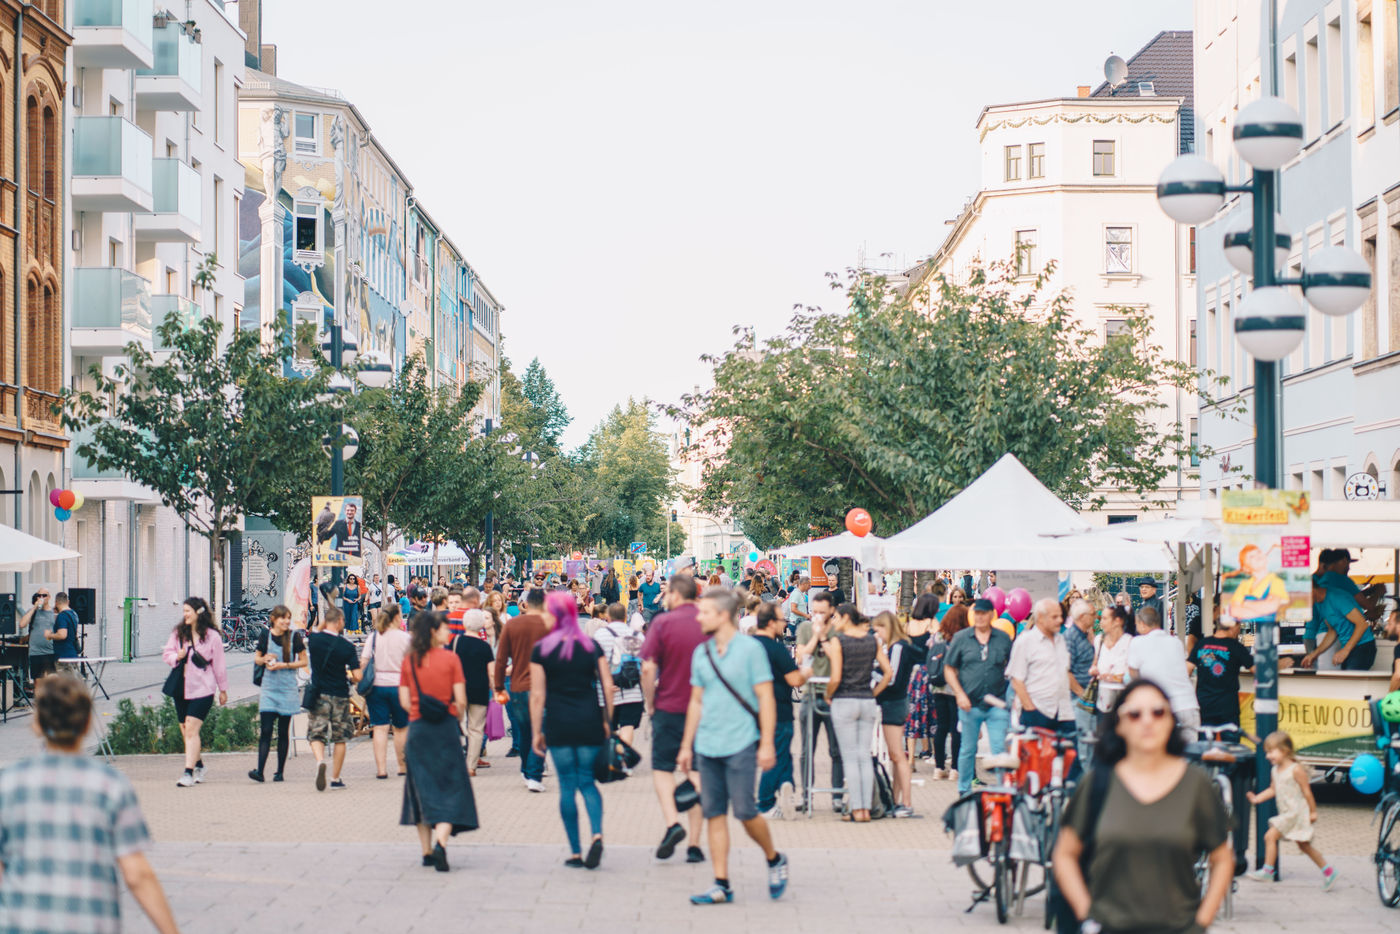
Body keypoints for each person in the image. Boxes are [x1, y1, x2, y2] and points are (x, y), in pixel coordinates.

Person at [0, 675, 179, 933]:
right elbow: (137, 873)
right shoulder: (110, 786)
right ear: (86, 725)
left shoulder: (9, 784)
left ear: (37, 724)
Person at [1052, 680, 1233, 934]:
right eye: (1135, 714)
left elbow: (1222, 858)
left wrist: (1201, 922)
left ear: (1171, 721)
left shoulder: (1196, 784)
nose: (1147, 721)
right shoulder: (1098, 783)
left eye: (1158, 712)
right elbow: (1065, 853)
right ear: (1120, 725)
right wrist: (1087, 915)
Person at [677, 586, 789, 905]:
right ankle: (721, 883)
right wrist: (687, 745)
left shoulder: (750, 650)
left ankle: (773, 857)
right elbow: (696, 702)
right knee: (714, 813)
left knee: (744, 811)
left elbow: (766, 697)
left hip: (741, 742)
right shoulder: (702, 653)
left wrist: (767, 743)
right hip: (707, 745)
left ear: (723, 615)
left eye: (705, 612)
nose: (698, 616)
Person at [530, 592, 616, 869]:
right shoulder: (591, 647)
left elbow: (537, 696)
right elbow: (607, 686)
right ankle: (598, 834)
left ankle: (576, 852)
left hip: (558, 723)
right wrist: (607, 720)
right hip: (590, 720)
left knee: (567, 785)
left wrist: (536, 732)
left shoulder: (541, 650)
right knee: (588, 782)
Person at [399, 610, 477, 871]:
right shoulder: (451, 659)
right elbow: (462, 699)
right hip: (445, 729)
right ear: (433, 631)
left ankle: (426, 851)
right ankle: (442, 843)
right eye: (445, 628)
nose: (449, 632)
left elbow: (403, 700)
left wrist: (416, 710)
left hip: (418, 730)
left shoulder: (410, 660)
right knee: (450, 787)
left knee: (420, 790)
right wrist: (457, 715)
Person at [641, 574, 708, 862]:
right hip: (706, 710)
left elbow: (647, 668)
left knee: (662, 768)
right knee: (696, 772)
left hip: (669, 706)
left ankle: (672, 824)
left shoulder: (663, 623)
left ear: (677, 595)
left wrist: (650, 702)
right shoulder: (709, 621)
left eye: (667, 592)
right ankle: (694, 845)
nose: (664, 597)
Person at [824, 603, 892, 822]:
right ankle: (867, 809)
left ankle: (857, 807)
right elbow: (888, 672)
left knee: (850, 757)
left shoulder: (838, 641)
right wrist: (875, 692)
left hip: (844, 699)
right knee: (863, 754)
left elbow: (835, 677)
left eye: (836, 617)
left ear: (845, 618)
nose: (834, 621)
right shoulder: (871, 640)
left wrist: (829, 694)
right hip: (866, 700)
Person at [1244, 731, 1337, 888]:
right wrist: (1257, 798)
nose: (1268, 756)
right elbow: (1273, 789)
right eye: (1267, 752)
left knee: (1270, 836)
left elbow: (1307, 792)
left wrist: (1313, 812)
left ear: (1285, 750)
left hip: (1296, 813)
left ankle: (1267, 871)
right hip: (1287, 813)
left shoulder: (1296, 769)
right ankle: (1329, 872)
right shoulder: (1275, 770)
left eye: (1271, 752)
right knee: (1304, 846)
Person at [944, 597, 1013, 796]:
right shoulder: (962, 638)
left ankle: (1003, 790)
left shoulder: (1002, 639)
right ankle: (964, 790)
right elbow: (949, 668)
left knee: (999, 747)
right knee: (967, 748)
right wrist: (959, 694)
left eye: (984, 614)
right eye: (977, 614)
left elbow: (1013, 666)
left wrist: (1011, 697)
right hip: (969, 703)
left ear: (991, 615)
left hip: (996, 702)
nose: (980, 617)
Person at [161, 597, 228, 788]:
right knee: (185, 729)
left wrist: (223, 690)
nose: (185, 615)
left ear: (198, 613)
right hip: (181, 687)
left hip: (203, 688)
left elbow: (220, 666)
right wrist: (177, 656)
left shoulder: (212, 636)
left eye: (188, 611)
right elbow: (167, 654)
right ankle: (199, 765)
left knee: (191, 728)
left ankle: (187, 773)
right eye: (183, 611)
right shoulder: (178, 633)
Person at [754, 601, 805, 819]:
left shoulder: (746, 645)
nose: (785, 625)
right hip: (779, 708)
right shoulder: (776, 648)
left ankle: (787, 787)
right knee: (777, 754)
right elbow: (794, 679)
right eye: (782, 621)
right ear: (772, 622)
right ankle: (765, 803)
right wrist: (807, 672)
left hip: (752, 709)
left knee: (781, 754)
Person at [495, 587, 549, 792]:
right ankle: (534, 774)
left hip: (517, 685)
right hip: (542, 687)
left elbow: (501, 659)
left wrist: (499, 685)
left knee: (525, 730)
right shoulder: (548, 625)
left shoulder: (512, 625)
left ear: (525, 604)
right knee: (540, 730)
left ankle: (526, 770)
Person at [794, 590, 844, 810]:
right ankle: (806, 796)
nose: (817, 616)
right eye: (814, 612)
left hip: (832, 695)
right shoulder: (805, 628)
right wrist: (815, 635)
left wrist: (823, 636)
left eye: (822, 613)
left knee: (836, 749)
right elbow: (801, 655)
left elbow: (836, 657)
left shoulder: (837, 631)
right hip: (810, 693)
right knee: (806, 749)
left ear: (831, 611)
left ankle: (836, 796)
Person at [306, 606, 363, 791]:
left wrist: (327, 619)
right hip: (340, 695)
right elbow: (357, 676)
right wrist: (350, 676)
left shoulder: (314, 640)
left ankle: (320, 761)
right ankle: (335, 778)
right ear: (339, 622)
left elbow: (317, 629)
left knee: (316, 733)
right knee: (340, 738)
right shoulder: (347, 647)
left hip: (319, 693)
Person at [249, 605, 307, 783]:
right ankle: (260, 771)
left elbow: (304, 661)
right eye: (283, 618)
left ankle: (279, 772)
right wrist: (264, 659)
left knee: (283, 731)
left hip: (288, 688)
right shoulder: (265, 635)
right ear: (274, 619)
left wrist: (286, 665)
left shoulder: (294, 636)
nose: (286, 621)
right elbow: (257, 658)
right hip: (269, 688)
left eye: (288, 618)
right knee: (265, 730)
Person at [1127, 605, 1199, 739]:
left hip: (1164, 708)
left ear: (1142, 624)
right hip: (1188, 705)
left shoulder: (1137, 642)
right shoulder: (1176, 642)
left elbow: (1133, 675)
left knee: (1165, 756)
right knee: (1191, 755)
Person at [873, 610, 918, 817]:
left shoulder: (897, 647)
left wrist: (871, 670)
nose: (877, 634)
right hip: (896, 702)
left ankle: (906, 802)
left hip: (894, 702)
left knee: (897, 755)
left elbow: (891, 678)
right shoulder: (898, 647)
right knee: (896, 754)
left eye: (879, 629)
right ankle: (898, 800)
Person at [1008, 598, 1076, 736]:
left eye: (1061, 616)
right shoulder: (1025, 641)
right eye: (1054, 617)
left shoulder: (1061, 640)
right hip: (1038, 711)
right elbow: (1016, 680)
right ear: (1040, 618)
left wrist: (1081, 696)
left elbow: (1065, 672)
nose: (1060, 621)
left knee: (1070, 755)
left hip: (1064, 712)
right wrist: (1030, 709)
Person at [362, 604, 411, 779]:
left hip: (377, 687)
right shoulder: (405, 638)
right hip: (400, 686)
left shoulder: (374, 637)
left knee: (380, 728)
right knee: (400, 728)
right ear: (397, 617)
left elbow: (363, 662)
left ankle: (381, 769)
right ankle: (401, 765)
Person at [1189, 606, 1254, 729]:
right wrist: (1277, 665)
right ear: (1233, 626)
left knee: (1206, 743)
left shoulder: (1201, 644)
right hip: (1227, 707)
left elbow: (1187, 669)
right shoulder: (1236, 647)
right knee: (1230, 745)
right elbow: (1256, 670)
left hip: (1204, 704)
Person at [1303, 575, 1379, 671]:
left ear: (1311, 589)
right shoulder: (1319, 603)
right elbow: (1332, 631)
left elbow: (1362, 624)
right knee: (1344, 681)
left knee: (1349, 681)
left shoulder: (1337, 597)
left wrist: (1345, 650)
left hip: (1363, 647)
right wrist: (1314, 654)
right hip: (1349, 647)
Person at [594, 602, 645, 746]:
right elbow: (643, 663)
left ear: (608, 617)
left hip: (605, 692)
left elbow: (594, 663)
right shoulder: (637, 636)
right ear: (625, 617)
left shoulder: (600, 635)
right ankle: (623, 760)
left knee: (610, 728)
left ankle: (612, 759)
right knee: (627, 727)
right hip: (632, 690)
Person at [928, 603, 968, 780]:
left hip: (938, 685)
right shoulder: (963, 636)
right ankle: (955, 769)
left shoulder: (938, 636)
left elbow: (929, 651)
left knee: (941, 726)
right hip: (955, 686)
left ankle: (938, 767)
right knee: (956, 727)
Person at [454, 609, 495, 776]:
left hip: (458, 690)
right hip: (480, 690)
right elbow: (491, 672)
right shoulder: (485, 647)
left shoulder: (456, 642)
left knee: (454, 725)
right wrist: (495, 689)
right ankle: (471, 765)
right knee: (476, 729)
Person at [1064, 598, 1098, 767]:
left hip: (1088, 698)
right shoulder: (1071, 637)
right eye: (1092, 614)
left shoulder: (1085, 635)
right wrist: (1081, 695)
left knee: (1090, 741)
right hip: (1080, 699)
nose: (1095, 617)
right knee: (1084, 743)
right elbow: (1066, 670)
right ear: (1083, 616)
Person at [1090, 604, 1134, 720]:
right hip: (1102, 703)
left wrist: (1114, 678)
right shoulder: (1099, 640)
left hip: (1124, 704)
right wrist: (1094, 670)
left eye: (1105, 619)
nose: (1101, 623)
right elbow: (1095, 663)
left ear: (1117, 621)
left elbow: (1135, 674)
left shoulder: (1130, 642)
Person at [19, 589, 55, 683]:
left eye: (44, 595)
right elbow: (22, 624)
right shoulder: (33, 611)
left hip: (50, 652)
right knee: (38, 683)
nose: (41, 598)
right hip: (36, 652)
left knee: (51, 684)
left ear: (49, 597)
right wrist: (34, 607)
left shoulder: (53, 613)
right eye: (39, 595)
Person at [50, 591, 81, 661]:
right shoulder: (74, 614)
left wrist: (50, 635)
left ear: (56, 603)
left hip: (63, 656)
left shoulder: (62, 616)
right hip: (72, 653)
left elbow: (62, 635)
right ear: (68, 602)